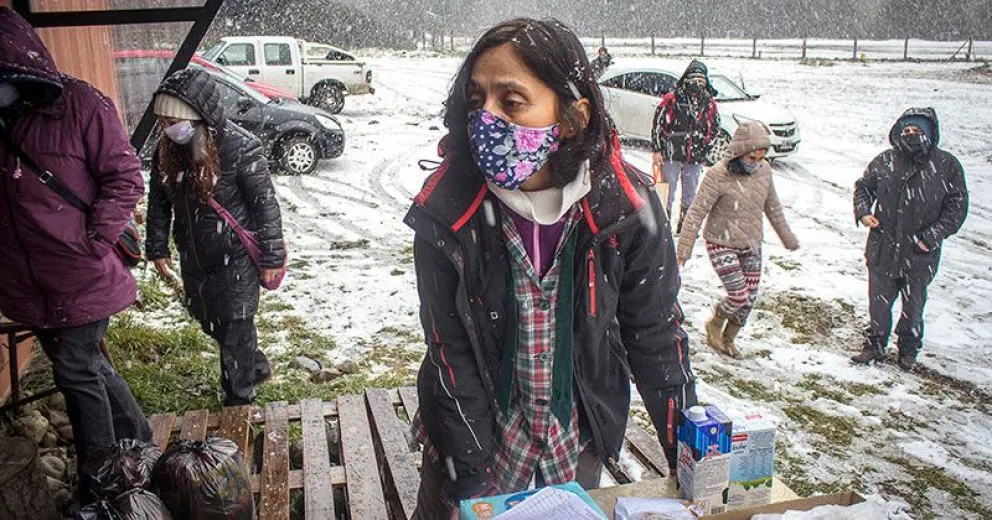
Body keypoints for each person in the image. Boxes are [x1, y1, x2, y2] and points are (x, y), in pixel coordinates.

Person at [405, 19, 695, 519]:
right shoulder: (448, 212)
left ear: (572, 117)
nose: (487, 119)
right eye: (477, 101)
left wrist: (692, 459)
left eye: (511, 101)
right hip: (471, 437)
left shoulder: (624, 209)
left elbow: (657, 337)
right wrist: (469, 486)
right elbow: (452, 355)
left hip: (574, 436)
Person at [0, 7, 151, 499]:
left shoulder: (80, 105)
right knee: (91, 368)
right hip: (25, 282)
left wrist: (95, 239)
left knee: (76, 371)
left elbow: (125, 177)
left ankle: (103, 478)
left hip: (80, 273)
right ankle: (138, 441)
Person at [145, 68, 285, 406]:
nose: (168, 128)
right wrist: (157, 245)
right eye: (163, 121)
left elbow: (265, 206)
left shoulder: (239, 147)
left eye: (174, 120)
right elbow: (158, 201)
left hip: (233, 256)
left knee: (234, 324)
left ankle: (238, 404)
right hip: (194, 255)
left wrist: (272, 258)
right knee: (209, 320)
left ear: (199, 117)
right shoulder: (167, 150)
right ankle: (254, 363)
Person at [851, 108, 968, 370]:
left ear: (929, 134)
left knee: (913, 305)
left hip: (920, 252)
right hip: (883, 245)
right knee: (879, 301)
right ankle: (875, 345)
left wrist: (931, 237)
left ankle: (908, 349)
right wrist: (864, 212)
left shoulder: (946, 165)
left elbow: (957, 208)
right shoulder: (885, 161)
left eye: (917, 132)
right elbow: (864, 188)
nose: (911, 136)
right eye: (906, 131)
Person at [677, 122, 799, 358]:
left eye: (761, 158)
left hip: (751, 242)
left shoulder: (764, 172)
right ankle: (716, 321)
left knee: (749, 299)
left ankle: (728, 338)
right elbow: (696, 212)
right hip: (720, 241)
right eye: (752, 158)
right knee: (739, 294)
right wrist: (684, 248)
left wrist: (787, 237)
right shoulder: (717, 175)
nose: (756, 163)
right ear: (739, 153)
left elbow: (772, 206)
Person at [651, 59, 720, 234]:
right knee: (667, 190)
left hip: (695, 155)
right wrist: (657, 149)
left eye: (701, 80)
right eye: (693, 78)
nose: (697, 84)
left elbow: (714, 127)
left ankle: (686, 225)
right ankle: (663, 225)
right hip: (672, 153)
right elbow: (658, 124)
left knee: (690, 192)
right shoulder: (672, 99)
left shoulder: (709, 103)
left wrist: (705, 145)